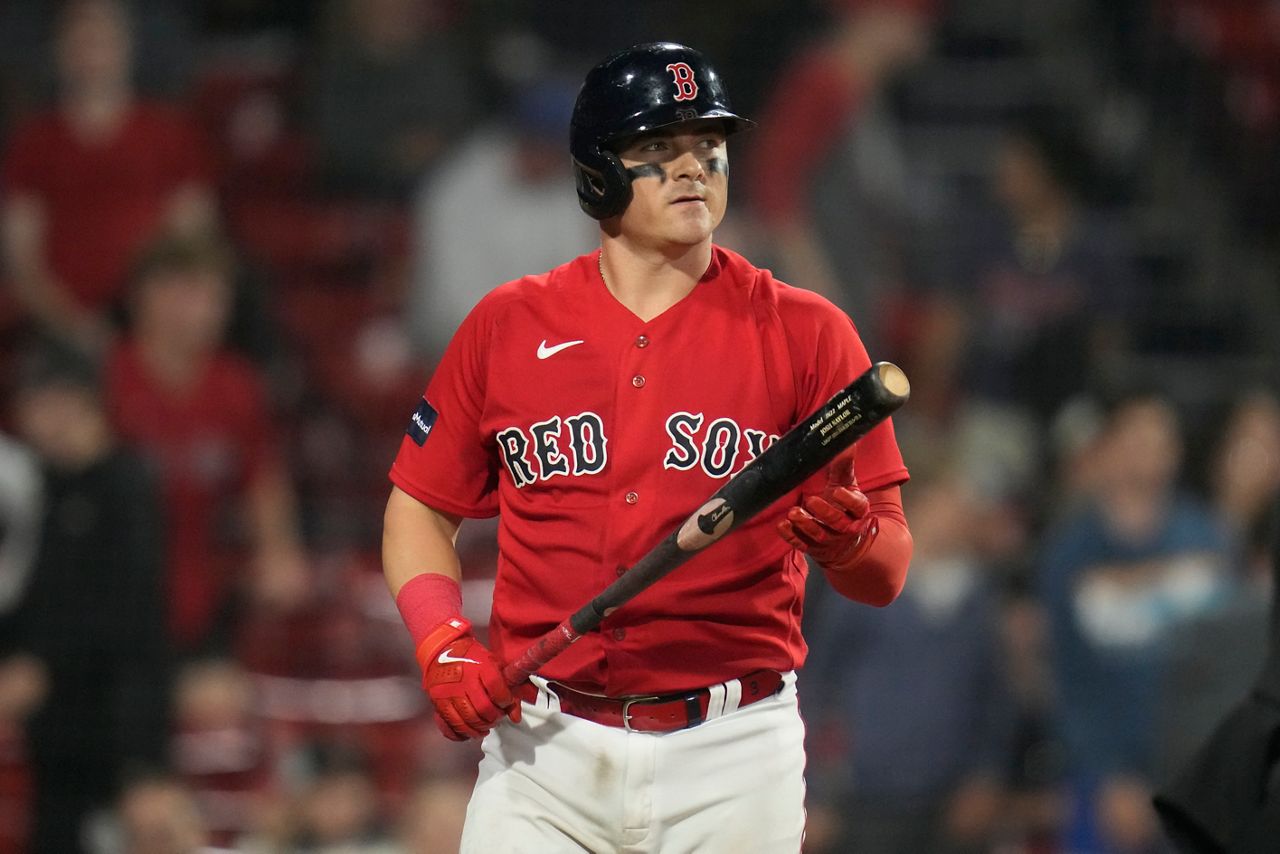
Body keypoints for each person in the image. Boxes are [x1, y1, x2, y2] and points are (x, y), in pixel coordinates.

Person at [382, 42, 912, 852]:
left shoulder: (809, 333)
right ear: (599, 171)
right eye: (657, 150)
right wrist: (442, 644)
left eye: (708, 147)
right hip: (543, 746)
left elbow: (888, 569)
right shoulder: (508, 325)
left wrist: (852, 544)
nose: (692, 167)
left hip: (732, 753)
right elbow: (419, 506)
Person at [1038, 391, 1232, 854]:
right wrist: (1107, 775)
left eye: (1160, 440)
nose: (1146, 451)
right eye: (1134, 438)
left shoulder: (1210, 542)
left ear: (1177, 453)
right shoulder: (1069, 553)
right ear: (1106, 447)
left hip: (1194, 776)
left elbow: (1225, 670)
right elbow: (1064, 677)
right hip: (1100, 780)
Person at [0, 339, 170, 854]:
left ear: (75, 403)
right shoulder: (38, 489)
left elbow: (128, 613)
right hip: (53, 733)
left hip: (116, 724)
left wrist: (40, 664)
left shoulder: (126, 485)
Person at [104, 233, 309, 659]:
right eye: (196, 293)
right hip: (114, 585)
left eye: (218, 297)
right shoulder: (108, 379)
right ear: (150, 296)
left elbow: (262, 479)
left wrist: (277, 549)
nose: (212, 311)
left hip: (204, 582)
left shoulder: (236, 385)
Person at [0, 0, 216, 353]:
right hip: (58, 328)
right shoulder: (32, 143)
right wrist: (75, 327)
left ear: (126, 46)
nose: (92, 54)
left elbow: (192, 244)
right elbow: (23, 261)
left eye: (102, 40)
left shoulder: (170, 135)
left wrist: (160, 320)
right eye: (81, 41)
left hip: (154, 323)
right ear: (60, 52)